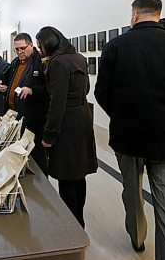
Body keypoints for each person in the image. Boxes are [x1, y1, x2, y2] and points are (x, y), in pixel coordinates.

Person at [94, 0, 165, 259]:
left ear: (134, 14)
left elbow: (101, 92)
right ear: (158, 13)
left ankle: (138, 238)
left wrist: (121, 116)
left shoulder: (116, 47)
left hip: (127, 138)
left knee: (133, 196)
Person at [35, 26, 97, 228]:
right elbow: (86, 88)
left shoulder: (57, 62)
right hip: (82, 119)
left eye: (40, 45)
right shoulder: (77, 57)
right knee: (78, 173)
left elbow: (57, 102)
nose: (40, 50)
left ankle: (71, 224)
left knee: (66, 175)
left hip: (66, 124)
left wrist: (49, 135)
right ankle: (79, 220)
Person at [0, 33, 50, 175]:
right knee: (19, 153)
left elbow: (49, 89)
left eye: (22, 48)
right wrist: (4, 88)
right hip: (15, 116)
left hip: (34, 118)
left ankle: (42, 186)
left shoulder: (40, 62)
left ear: (31, 46)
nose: (20, 52)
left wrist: (32, 90)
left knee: (37, 156)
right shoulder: (15, 63)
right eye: (17, 49)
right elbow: (12, 83)